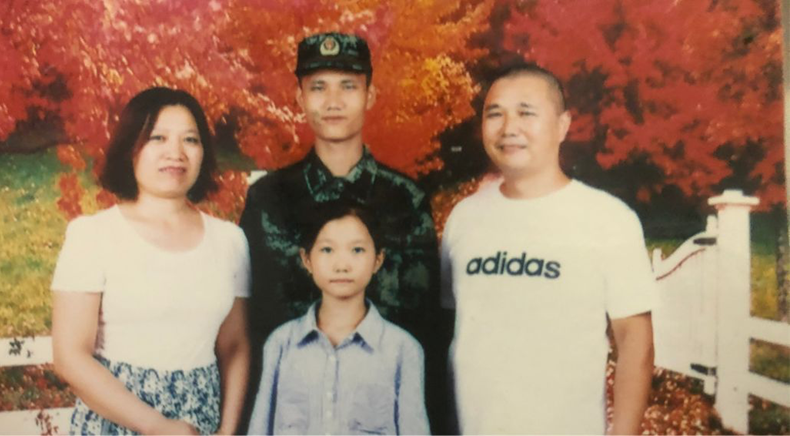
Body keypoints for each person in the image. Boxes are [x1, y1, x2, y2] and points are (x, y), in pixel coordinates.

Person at [239, 32, 445, 432]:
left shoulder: (405, 200)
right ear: (299, 98)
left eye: (348, 86)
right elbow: (249, 322)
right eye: (318, 87)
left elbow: (426, 328)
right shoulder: (269, 198)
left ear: (370, 95)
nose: (332, 101)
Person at [441, 64, 656, 434]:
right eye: (495, 114)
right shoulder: (464, 217)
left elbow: (636, 345)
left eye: (526, 112)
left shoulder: (608, 219)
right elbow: (450, 333)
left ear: (562, 125)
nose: (509, 127)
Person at [51, 87, 250, 435]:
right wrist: (158, 427)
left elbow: (235, 347)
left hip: (200, 422)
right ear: (131, 148)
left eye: (190, 139)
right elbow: (70, 357)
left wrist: (227, 431)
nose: (176, 152)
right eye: (158, 137)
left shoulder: (230, 241)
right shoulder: (92, 235)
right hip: (115, 421)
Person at [248, 200, 430, 435]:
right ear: (306, 259)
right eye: (327, 250)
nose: (342, 265)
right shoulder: (281, 343)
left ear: (378, 259)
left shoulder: (403, 349)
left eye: (357, 250)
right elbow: (260, 428)